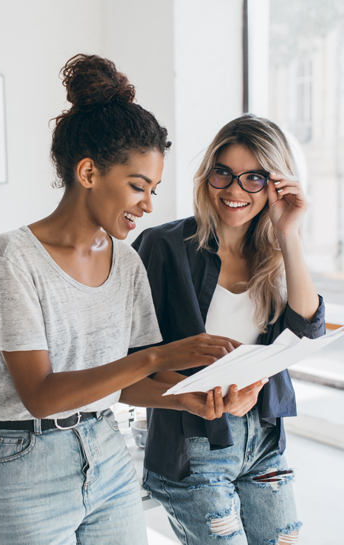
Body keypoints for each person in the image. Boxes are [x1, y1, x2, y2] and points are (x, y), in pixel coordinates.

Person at [0, 55, 263, 545]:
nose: (148, 205)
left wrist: (195, 397)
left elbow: (126, 382)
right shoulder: (12, 258)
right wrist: (162, 356)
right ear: (88, 172)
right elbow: (41, 395)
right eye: (137, 186)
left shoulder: (125, 262)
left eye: (154, 189)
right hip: (25, 462)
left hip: (106, 450)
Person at [133, 113, 325, 545]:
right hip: (193, 445)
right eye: (224, 173)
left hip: (262, 443)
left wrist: (289, 233)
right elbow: (134, 358)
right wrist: (196, 396)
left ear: (275, 186)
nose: (235, 190)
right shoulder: (163, 246)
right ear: (208, 176)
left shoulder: (275, 255)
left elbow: (306, 334)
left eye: (253, 178)